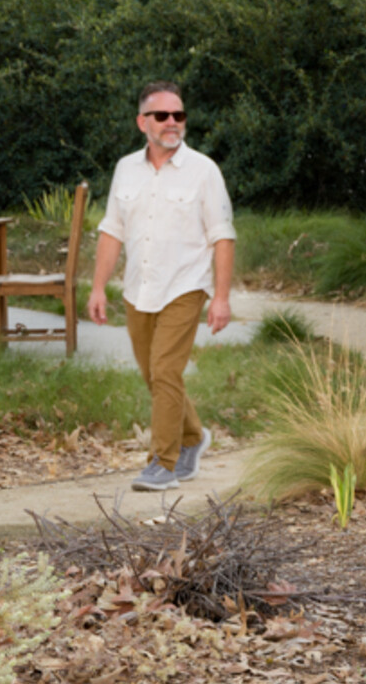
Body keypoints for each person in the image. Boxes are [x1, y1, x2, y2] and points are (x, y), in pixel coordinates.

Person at [86, 81, 237, 492]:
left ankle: (163, 462)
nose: (173, 123)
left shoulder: (204, 171)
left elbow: (223, 236)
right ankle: (193, 438)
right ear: (142, 122)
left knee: (166, 370)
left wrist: (221, 298)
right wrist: (99, 288)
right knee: (154, 374)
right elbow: (111, 231)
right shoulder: (125, 169)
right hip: (139, 288)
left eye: (179, 115)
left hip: (185, 286)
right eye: (162, 116)